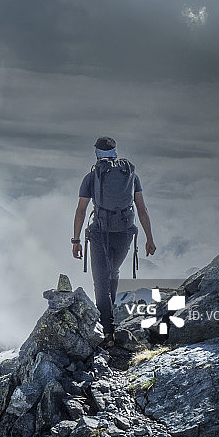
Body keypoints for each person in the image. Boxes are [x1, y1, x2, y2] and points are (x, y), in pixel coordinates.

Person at [72, 136, 156, 340]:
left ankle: (107, 330)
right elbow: (142, 209)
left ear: (97, 153)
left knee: (101, 280)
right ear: (115, 152)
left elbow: (81, 211)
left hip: (100, 233)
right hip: (125, 233)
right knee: (113, 272)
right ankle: (110, 325)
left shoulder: (92, 177)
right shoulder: (130, 175)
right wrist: (149, 238)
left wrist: (76, 241)